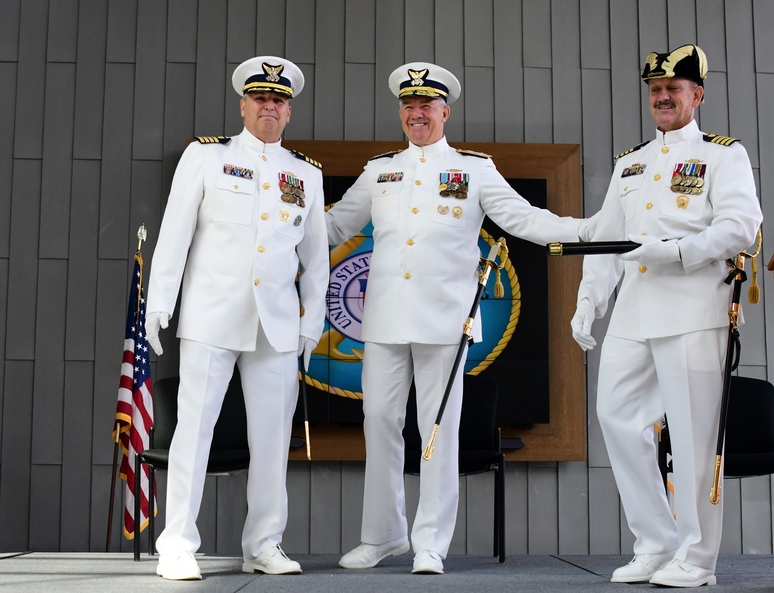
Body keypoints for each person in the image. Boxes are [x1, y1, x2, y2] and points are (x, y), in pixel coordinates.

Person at [326, 62, 595, 575]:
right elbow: (334, 225)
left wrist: (583, 229)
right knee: (379, 422)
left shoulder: (474, 169)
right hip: (382, 322)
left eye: (426, 106)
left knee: (438, 428)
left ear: (444, 112)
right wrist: (272, 239)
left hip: (444, 321)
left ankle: (430, 542)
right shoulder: (379, 169)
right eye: (409, 106)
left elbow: (522, 218)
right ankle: (383, 535)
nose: (417, 114)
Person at [571, 45, 762, 587]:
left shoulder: (723, 156)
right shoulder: (630, 163)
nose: (662, 97)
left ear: (695, 95)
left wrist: (676, 252)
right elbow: (608, 240)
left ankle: (698, 560)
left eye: (672, 89)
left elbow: (740, 227)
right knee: (617, 418)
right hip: (634, 312)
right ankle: (656, 543)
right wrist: (589, 302)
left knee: (694, 438)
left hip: (694, 309)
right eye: (655, 90)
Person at [144, 56, 328, 581]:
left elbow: (316, 261)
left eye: (279, 101)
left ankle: (264, 543)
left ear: (289, 112)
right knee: (193, 433)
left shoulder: (305, 175)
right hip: (210, 317)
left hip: (276, 326)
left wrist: (311, 324)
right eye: (260, 98)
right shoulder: (205, 159)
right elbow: (174, 235)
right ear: (243, 105)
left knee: (271, 440)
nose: (269, 107)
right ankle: (177, 543)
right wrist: (160, 303)